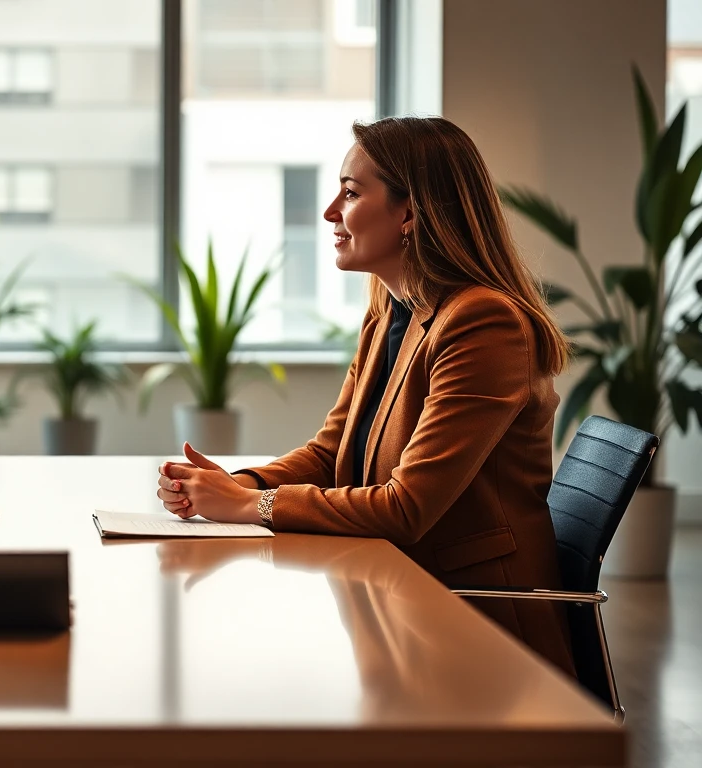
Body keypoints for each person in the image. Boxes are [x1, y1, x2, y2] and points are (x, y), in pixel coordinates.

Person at [156, 116, 576, 676]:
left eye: (350, 193)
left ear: (409, 212)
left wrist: (246, 507)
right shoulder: (389, 314)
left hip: (479, 629)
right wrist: (240, 484)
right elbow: (332, 456)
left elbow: (406, 508)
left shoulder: (483, 324)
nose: (330, 212)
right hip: (401, 602)